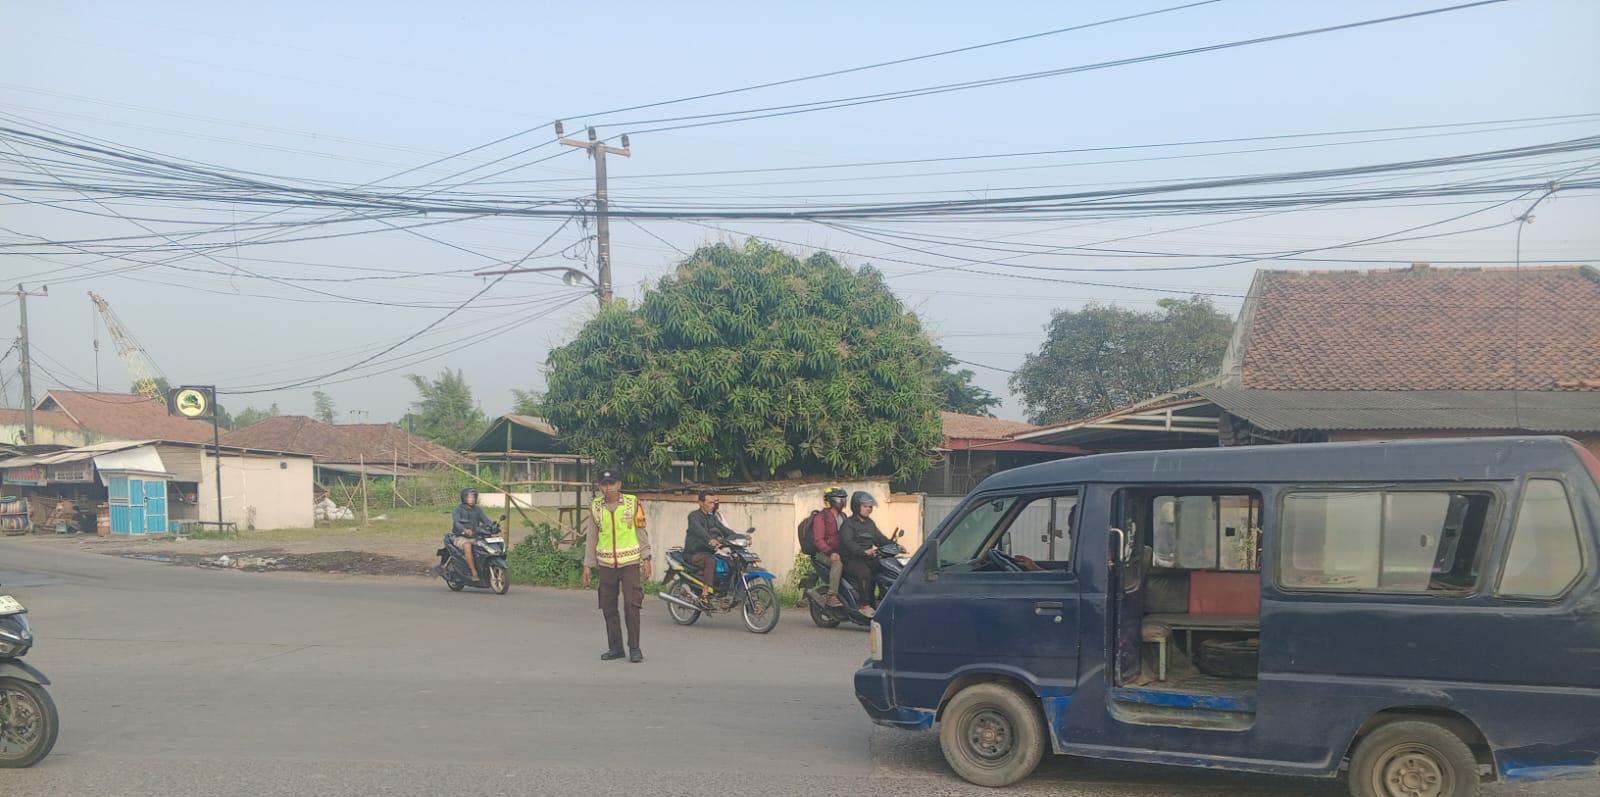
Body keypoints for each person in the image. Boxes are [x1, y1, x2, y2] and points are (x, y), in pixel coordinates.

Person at [581, 469, 651, 663]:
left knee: (631, 605)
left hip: (629, 563)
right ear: (599, 486)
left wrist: (646, 557)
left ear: (619, 484)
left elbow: (641, 530)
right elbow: (591, 537)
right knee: (608, 606)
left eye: (611, 483)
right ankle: (616, 647)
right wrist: (588, 565)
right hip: (606, 564)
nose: (608, 488)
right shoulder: (596, 507)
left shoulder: (632, 503)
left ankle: (634, 647)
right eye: (604, 484)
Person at [840, 491, 893, 617]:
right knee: (864, 572)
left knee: (885, 568)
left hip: (867, 558)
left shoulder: (870, 523)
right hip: (851, 559)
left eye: (870, 506)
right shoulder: (848, 524)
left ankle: (883, 601)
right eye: (865, 506)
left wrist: (894, 545)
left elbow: (880, 539)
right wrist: (862, 551)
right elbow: (848, 542)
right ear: (856, 506)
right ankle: (865, 606)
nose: (869, 509)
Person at [684, 491, 736, 604]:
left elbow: (725, 530)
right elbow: (700, 531)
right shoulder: (693, 516)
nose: (712, 505)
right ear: (701, 503)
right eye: (709, 503)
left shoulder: (712, 518)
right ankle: (705, 594)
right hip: (694, 553)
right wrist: (710, 539)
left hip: (708, 551)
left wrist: (739, 537)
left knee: (730, 561)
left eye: (713, 503)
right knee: (710, 561)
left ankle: (723, 590)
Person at [811, 487, 849, 607]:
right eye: (839, 498)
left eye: (844, 498)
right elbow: (818, 540)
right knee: (837, 563)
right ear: (832, 500)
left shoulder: (843, 516)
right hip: (823, 553)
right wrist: (830, 552)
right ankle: (832, 596)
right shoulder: (821, 517)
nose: (842, 501)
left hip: (840, 551)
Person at [450, 487, 494, 581]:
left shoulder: (477, 509)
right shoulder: (458, 510)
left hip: (475, 536)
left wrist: (493, 526)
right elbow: (457, 523)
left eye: (473, 497)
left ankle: (484, 568)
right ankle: (474, 572)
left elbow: (486, 520)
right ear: (464, 498)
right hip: (461, 537)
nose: (472, 499)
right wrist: (464, 529)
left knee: (487, 545)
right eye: (469, 497)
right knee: (467, 546)